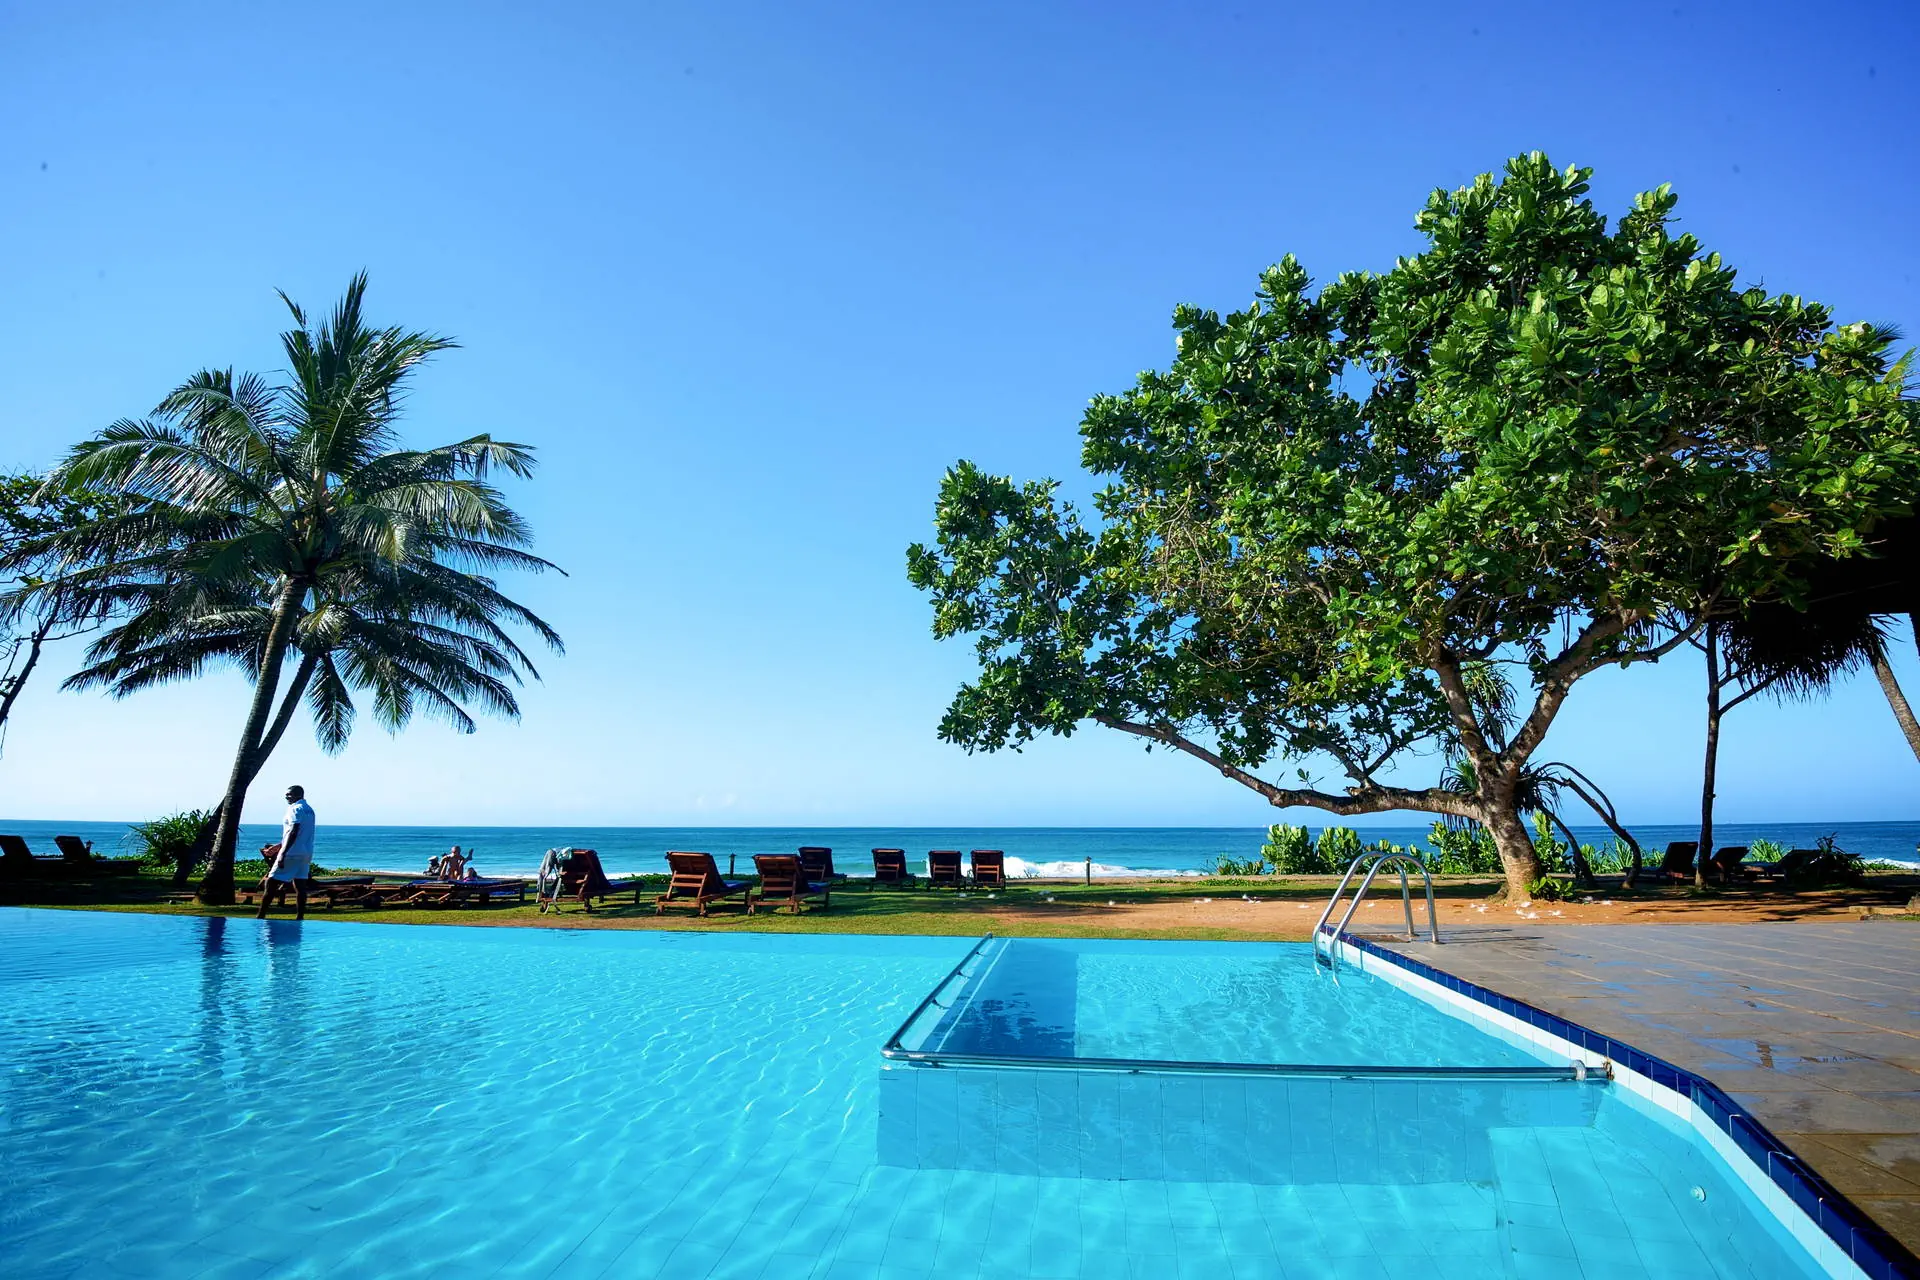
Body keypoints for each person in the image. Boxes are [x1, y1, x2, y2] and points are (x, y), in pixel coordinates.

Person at [258, 785, 317, 920]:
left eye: (289, 795)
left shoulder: (294, 809)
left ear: (297, 795)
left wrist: (283, 853)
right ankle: (300, 917)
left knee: (271, 882)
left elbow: (294, 831)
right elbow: (300, 833)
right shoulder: (309, 810)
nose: (286, 797)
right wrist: (279, 846)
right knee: (300, 885)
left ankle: (261, 915)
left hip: (291, 853)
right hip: (305, 853)